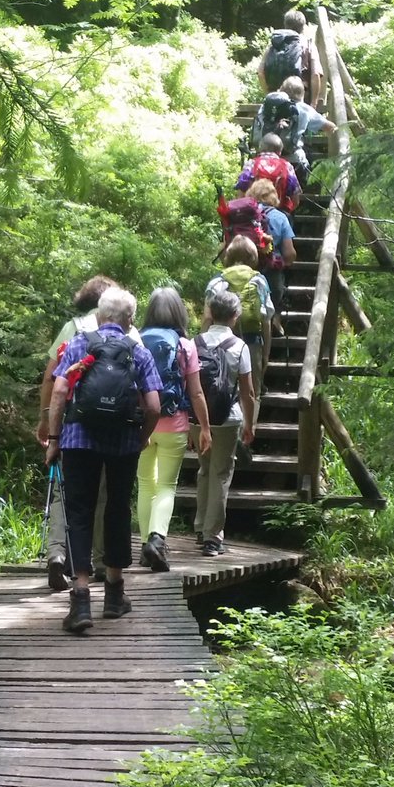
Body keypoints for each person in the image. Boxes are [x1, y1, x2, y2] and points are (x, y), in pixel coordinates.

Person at [46, 287, 162, 634]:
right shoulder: (138, 352)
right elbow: (154, 406)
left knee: (79, 512)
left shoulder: (81, 344)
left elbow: (60, 390)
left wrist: (54, 439)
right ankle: (114, 595)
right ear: (129, 321)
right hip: (123, 441)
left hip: (79, 438)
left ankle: (81, 599)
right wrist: (141, 438)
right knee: (116, 509)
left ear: (99, 315)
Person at [36, 276, 141, 591]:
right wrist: (140, 434)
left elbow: (53, 381)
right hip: (119, 433)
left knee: (66, 494)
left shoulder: (73, 329)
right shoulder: (132, 334)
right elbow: (146, 394)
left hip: (75, 426)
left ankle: (57, 554)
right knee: (107, 498)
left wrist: (47, 425)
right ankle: (100, 563)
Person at [137, 289, 211, 573]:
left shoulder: (136, 340)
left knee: (145, 484)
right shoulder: (185, 345)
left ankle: (146, 545)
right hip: (175, 424)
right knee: (166, 485)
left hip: (142, 424)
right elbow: (196, 392)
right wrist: (204, 427)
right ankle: (157, 540)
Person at [191, 290, 254, 557]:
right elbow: (248, 392)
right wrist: (250, 424)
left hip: (199, 418)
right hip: (228, 420)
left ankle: (200, 526)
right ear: (235, 316)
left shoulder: (194, 343)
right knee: (221, 474)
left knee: (204, 470)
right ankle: (213, 537)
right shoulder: (240, 347)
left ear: (210, 313)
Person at [205, 236, 274, 426]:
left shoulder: (217, 281)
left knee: (217, 386)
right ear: (253, 256)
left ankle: (219, 431)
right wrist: (266, 353)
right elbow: (266, 319)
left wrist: (202, 344)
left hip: (218, 344)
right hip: (252, 343)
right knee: (252, 391)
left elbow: (207, 318)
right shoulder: (259, 280)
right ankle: (246, 434)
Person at [246, 178, 296, 359]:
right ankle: (274, 319)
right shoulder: (280, 217)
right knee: (267, 315)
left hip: (243, 272)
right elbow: (289, 253)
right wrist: (284, 261)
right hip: (270, 275)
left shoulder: (242, 215)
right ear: (273, 196)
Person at [278, 75, 337, 186]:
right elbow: (330, 127)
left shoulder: (269, 106)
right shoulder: (304, 109)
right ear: (302, 94)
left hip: (265, 159)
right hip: (293, 161)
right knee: (304, 173)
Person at [258, 9, 324, 107]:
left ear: (285, 24)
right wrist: (313, 103)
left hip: (277, 97)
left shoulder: (275, 44)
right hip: (301, 99)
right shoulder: (308, 45)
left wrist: (269, 94)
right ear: (303, 26)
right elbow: (315, 74)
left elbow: (260, 72)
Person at [236, 134, 301, 213]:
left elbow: (240, 193)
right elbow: (296, 199)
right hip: (279, 212)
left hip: (253, 214)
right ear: (280, 151)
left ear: (260, 148)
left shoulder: (252, 164)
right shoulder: (287, 166)